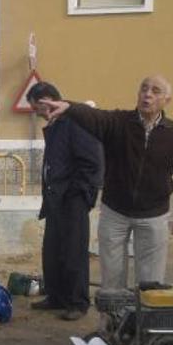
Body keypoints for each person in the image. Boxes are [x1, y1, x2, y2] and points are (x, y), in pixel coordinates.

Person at [41, 75, 173, 290]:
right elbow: (94, 116)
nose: (148, 94)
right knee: (112, 279)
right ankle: (111, 324)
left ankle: (144, 323)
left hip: (154, 216)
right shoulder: (119, 123)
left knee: (150, 282)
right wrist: (68, 107)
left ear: (166, 100)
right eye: (144, 89)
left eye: (155, 91)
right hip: (115, 213)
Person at [27, 82, 104, 321]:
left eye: (35, 107)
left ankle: (77, 303)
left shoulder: (75, 123)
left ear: (46, 101)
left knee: (73, 252)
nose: (35, 113)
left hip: (73, 200)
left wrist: (79, 194)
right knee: (53, 251)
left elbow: (92, 163)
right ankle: (57, 297)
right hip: (55, 199)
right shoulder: (56, 126)